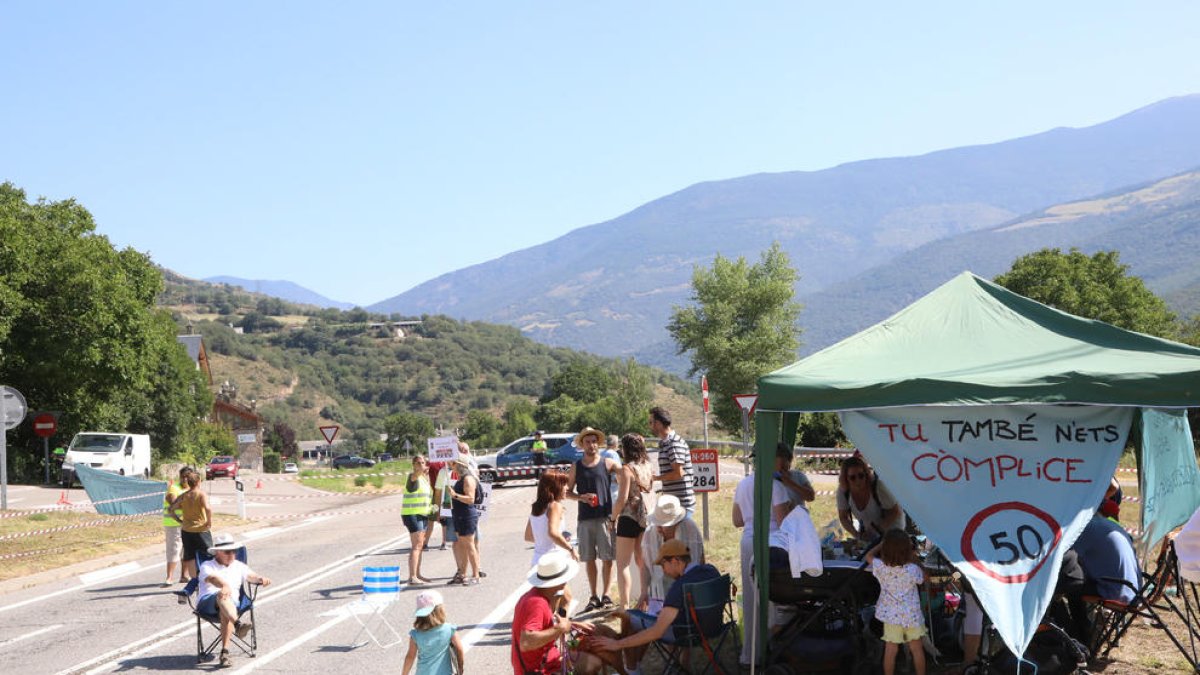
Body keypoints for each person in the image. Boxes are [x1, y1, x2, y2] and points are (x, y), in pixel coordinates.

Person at [589, 539, 723, 668]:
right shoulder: (711, 570)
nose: (663, 570)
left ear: (675, 561)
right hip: (713, 627)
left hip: (687, 633)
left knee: (629, 617)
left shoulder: (679, 587)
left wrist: (617, 644)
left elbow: (657, 632)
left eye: (663, 564)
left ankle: (632, 669)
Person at [732, 453, 792, 667]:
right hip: (771, 544)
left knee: (750, 601)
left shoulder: (742, 484)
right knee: (774, 599)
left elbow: (737, 520)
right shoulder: (776, 487)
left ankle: (750, 654)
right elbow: (783, 521)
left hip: (748, 541)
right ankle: (773, 647)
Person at [512, 550, 596, 675]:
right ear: (560, 582)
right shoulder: (537, 603)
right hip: (539, 670)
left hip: (546, 661)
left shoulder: (536, 595)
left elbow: (542, 628)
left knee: (593, 662)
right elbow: (526, 642)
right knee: (592, 664)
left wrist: (571, 624)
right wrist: (560, 628)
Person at [566, 427, 623, 611]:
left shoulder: (607, 463)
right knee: (589, 559)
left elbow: (625, 474)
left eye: (594, 441)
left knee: (608, 558)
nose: (592, 445)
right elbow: (566, 492)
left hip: (605, 517)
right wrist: (581, 497)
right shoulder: (576, 466)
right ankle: (593, 595)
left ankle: (606, 595)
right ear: (582, 445)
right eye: (588, 442)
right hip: (585, 519)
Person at [197, 534, 272, 668]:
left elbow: (251, 576)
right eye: (228, 551)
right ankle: (237, 624)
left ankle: (225, 652)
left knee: (225, 610)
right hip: (207, 602)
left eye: (234, 551)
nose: (232, 554)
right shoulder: (207, 565)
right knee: (222, 595)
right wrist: (224, 586)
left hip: (231, 605)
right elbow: (212, 578)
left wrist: (261, 579)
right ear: (218, 552)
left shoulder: (239, 565)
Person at [866, 529, 928, 675]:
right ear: (908, 550)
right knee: (917, 649)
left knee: (891, 650)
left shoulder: (881, 567)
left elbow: (868, 555)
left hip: (891, 617)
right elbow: (925, 578)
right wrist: (915, 558)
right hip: (911, 617)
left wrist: (881, 544)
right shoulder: (913, 570)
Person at [640, 495, 704, 614]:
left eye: (663, 525)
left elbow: (700, 559)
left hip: (687, 589)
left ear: (676, 523)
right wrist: (644, 591)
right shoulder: (650, 534)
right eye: (657, 523)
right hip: (659, 592)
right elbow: (645, 566)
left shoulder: (690, 529)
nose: (658, 527)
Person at [611, 433, 653, 610]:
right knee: (641, 560)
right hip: (646, 515)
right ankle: (645, 598)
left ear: (625, 449)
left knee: (622, 564)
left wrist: (613, 518)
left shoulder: (627, 469)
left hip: (629, 516)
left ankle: (624, 604)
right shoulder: (648, 466)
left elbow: (622, 499)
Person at [837, 455, 905, 544]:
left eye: (861, 475)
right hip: (871, 532)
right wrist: (857, 534)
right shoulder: (843, 491)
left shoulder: (878, 487)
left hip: (892, 529)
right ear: (846, 478)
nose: (858, 481)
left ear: (866, 473)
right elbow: (843, 517)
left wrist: (877, 531)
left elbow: (895, 511)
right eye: (852, 477)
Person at [170, 469, 213, 600]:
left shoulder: (184, 495)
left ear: (188, 482)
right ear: (199, 481)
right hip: (200, 530)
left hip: (186, 530)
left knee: (190, 556)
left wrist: (178, 520)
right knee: (209, 554)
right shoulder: (201, 494)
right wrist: (208, 522)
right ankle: (207, 580)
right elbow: (208, 508)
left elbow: (171, 509)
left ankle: (193, 582)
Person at [402, 589, 464, 675]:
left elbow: (410, 657)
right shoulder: (449, 629)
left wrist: (404, 674)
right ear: (440, 610)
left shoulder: (416, 635)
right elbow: (459, 650)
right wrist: (460, 670)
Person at [649, 407, 695, 518]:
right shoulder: (665, 443)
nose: (649, 426)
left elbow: (678, 473)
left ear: (658, 424)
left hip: (681, 505)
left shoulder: (673, 443)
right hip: (674, 503)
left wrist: (656, 478)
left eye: (651, 422)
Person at [526, 470, 577, 565]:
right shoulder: (555, 506)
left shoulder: (536, 507)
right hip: (554, 559)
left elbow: (529, 536)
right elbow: (553, 533)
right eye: (564, 484)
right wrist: (570, 548)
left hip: (538, 560)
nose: (567, 488)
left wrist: (549, 540)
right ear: (555, 487)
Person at [446, 453, 482, 585]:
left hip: (467, 515)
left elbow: (470, 499)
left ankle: (476, 575)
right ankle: (463, 574)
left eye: (453, 463)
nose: (451, 466)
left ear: (460, 465)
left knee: (469, 545)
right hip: (459, 515)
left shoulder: (468, 479)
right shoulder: (461, 479)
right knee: (462, 546)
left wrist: (455, 495)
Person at [402, 455, 435, 585]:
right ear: (414, 465)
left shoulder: (424, 478)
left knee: (420, 545)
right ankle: (412, 576)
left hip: (422, 514)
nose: (421, 465)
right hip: (412, 514)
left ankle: (418, 573)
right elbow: (415, 475)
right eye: (418, 463)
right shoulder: (413, 477)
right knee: (416, 545)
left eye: (423, 462)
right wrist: (422, 469)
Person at [162, 466, 192, 587]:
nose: (185, 479)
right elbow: (173, 502)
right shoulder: (174, 488)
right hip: (174, 525)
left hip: (187, 525)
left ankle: (184, 575)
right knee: (174, 550)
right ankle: (169, 577)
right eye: (183, 477)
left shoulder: (192, 489)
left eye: (187, 477)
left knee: (186, 551)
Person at [774, 443, 816, 507]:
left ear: (790, 461)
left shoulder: (798, 475)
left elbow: (811, 497)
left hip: (798, 515)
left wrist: (791, 483)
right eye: (777, 465)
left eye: (783, 466)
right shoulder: (769, 479)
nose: (780, 469)